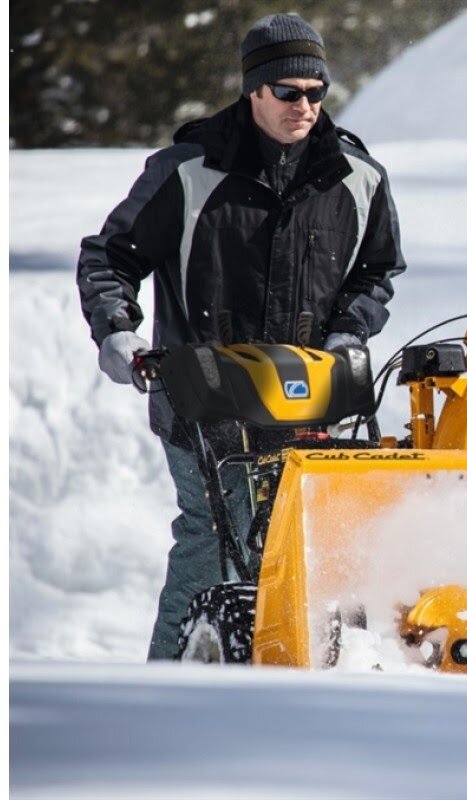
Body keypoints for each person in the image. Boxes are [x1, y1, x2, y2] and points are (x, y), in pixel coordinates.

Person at [76, 13, 406, 660]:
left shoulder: (357, 178)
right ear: (252, 90)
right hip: (205, 395)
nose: (304, 106)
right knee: (212, 536)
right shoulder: (188, 172)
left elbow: (376, 273)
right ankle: (171, 677)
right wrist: (117, 332)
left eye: (316, 92)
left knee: (311, 545)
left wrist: (348, 334)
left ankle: (304, 678)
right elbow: (110, 257)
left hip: (311, 399)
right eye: (288, 92)